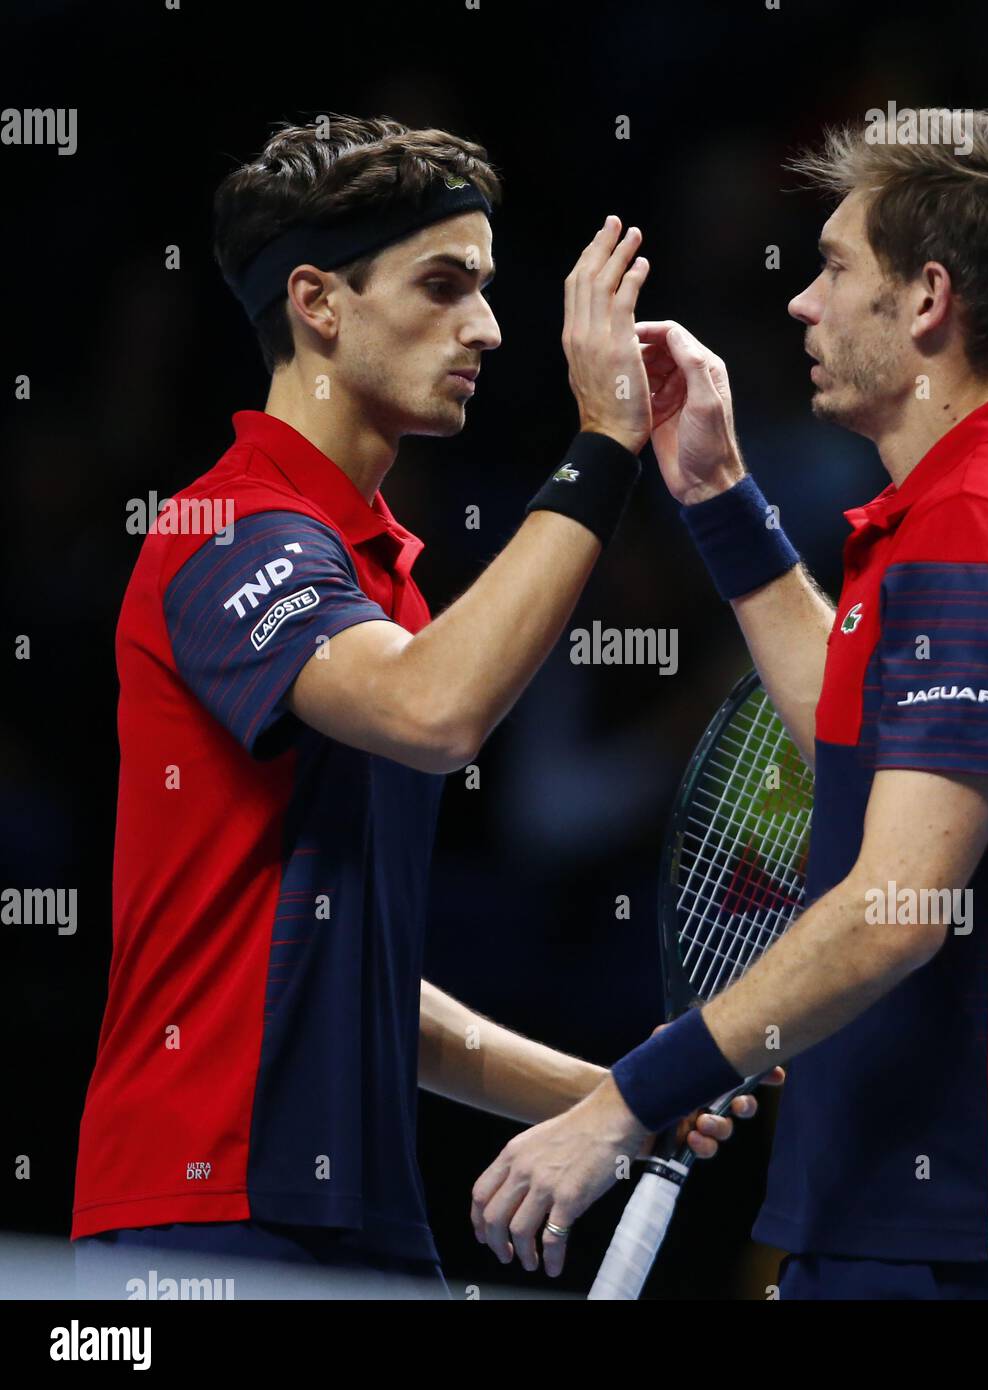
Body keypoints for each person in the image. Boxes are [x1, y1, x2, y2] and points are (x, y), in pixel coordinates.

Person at [71, 114, 759, 1300]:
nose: (487, 329)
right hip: (203, 1214)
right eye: (443, 286)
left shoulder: (373, 576)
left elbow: (362, 985)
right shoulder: (224, 532)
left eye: (487, 289)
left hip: (365, 1218)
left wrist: (615, 1097)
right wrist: (603, 442)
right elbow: (440, 712)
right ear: (318, 306)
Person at [471, 109, 988, 1301]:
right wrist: (718, 492)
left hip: (956, 1241)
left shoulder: (979, 533)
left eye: (837, 268)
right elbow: (851, 735)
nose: (802, 302)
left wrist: (626, 1101)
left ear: (927, 297)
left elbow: (898, 908)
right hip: (943, 1228)